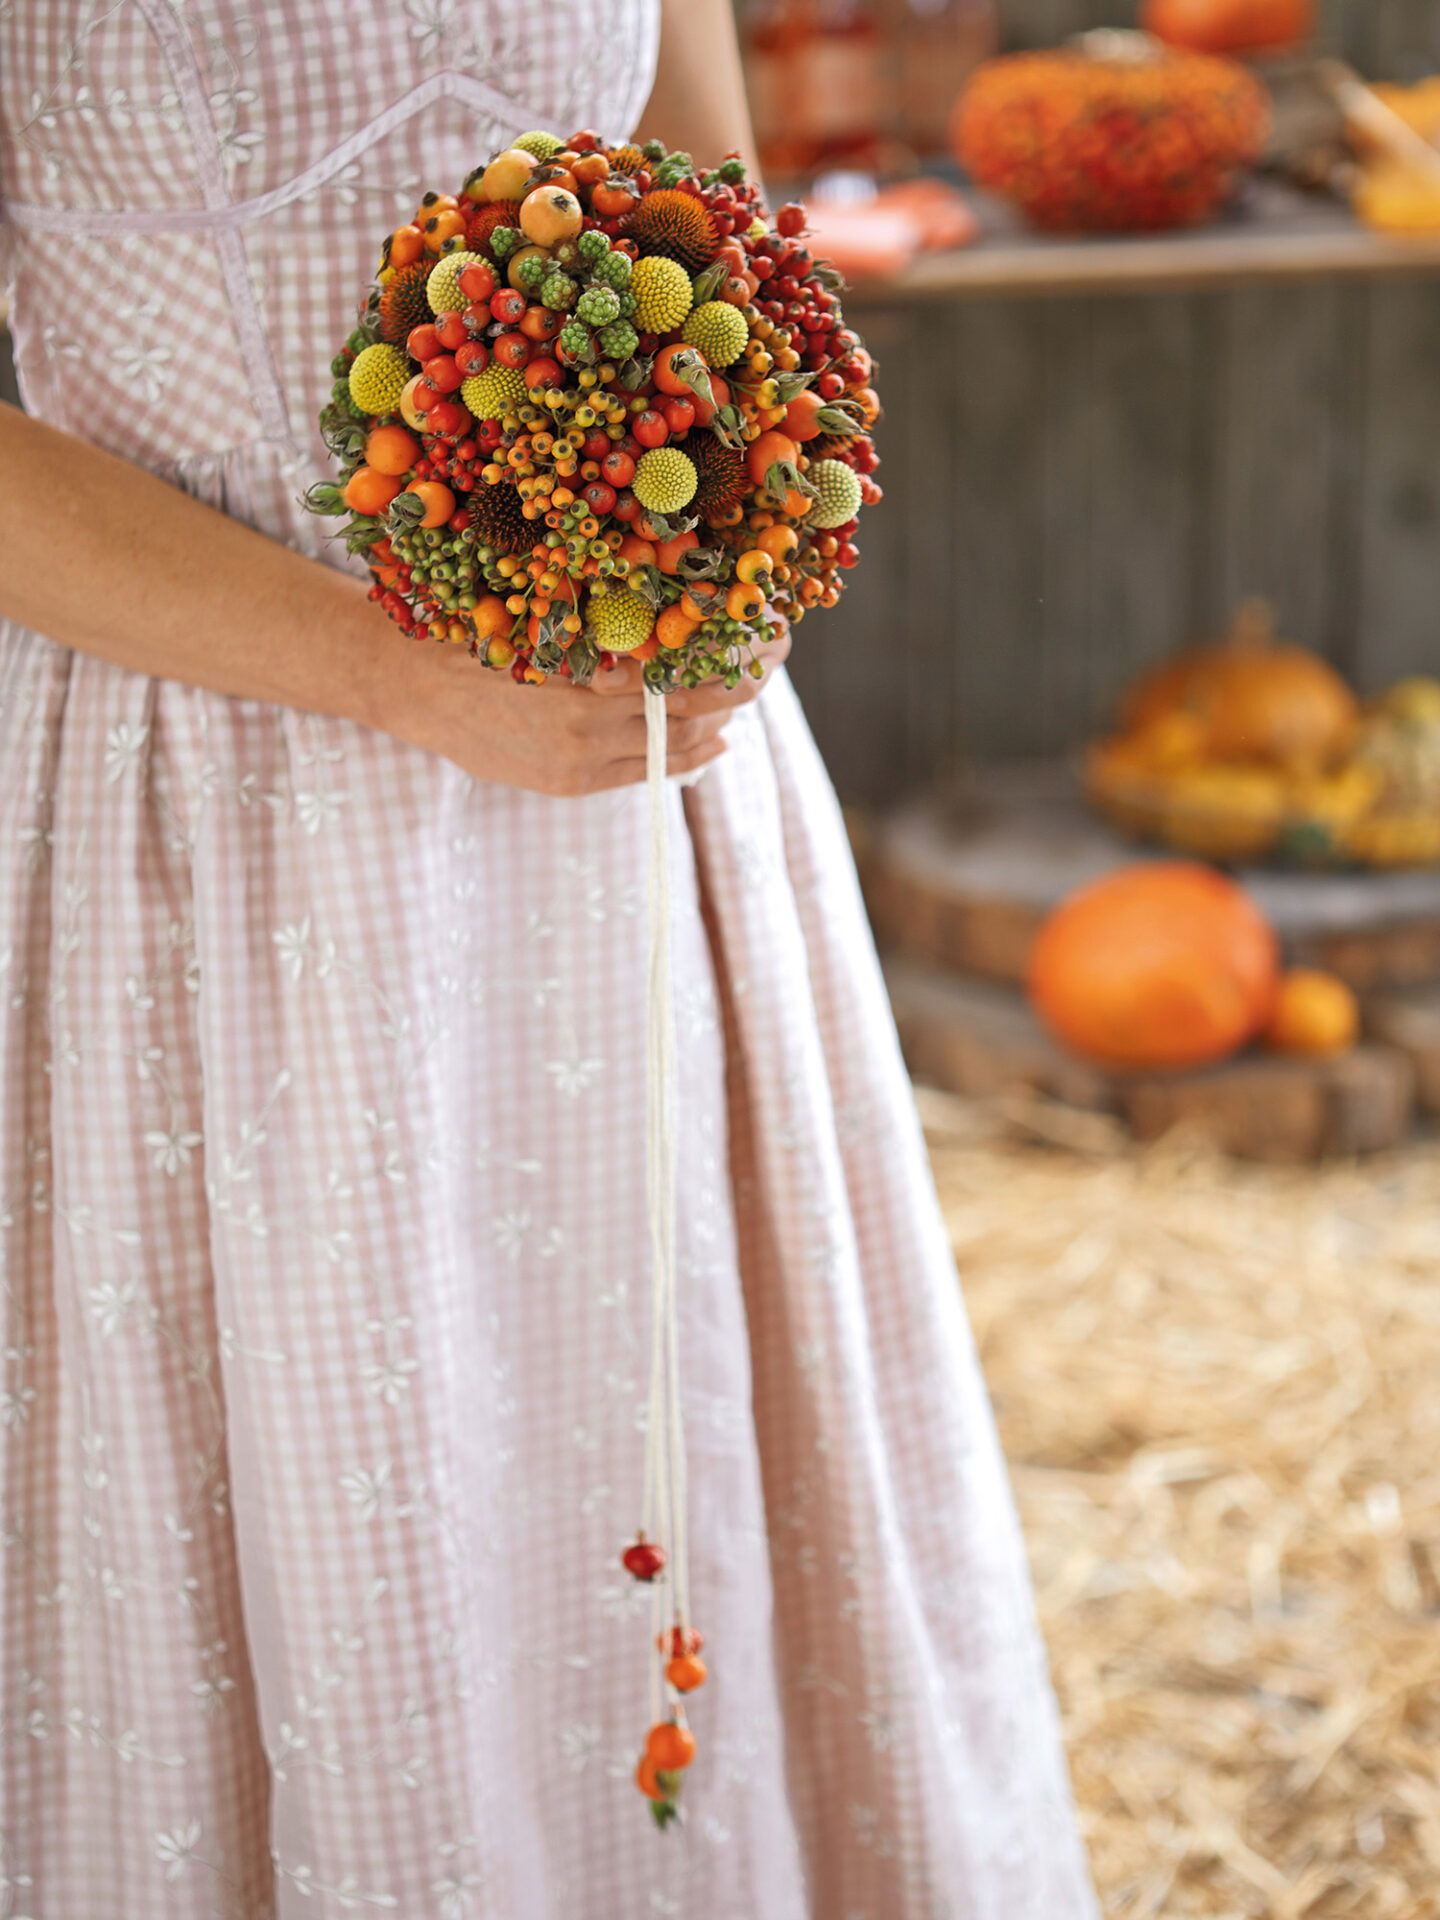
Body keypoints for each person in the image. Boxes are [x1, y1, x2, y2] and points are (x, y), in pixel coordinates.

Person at [0, 2, 1098, 1913]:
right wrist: (381, 668)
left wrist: (738, 526)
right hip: (206, 825)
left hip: (628, 802)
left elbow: (709, 213)